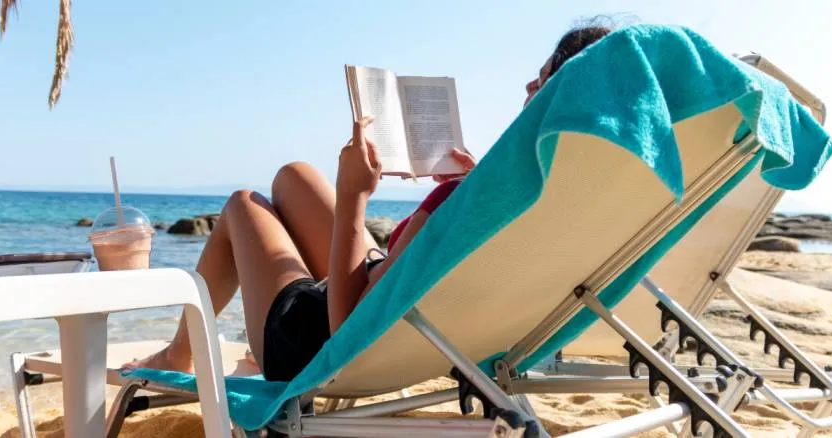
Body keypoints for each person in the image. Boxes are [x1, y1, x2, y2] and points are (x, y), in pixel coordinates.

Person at [125, 23, 613, 382]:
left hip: (312, 342)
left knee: (241, 204)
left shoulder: (470, 199)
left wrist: (353, 196)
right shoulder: (558, 203)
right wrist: (473, 185)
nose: (528, 86)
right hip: (400, 317)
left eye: (542, 79)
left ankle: (178, 355)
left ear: (561, 97)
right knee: (294, 176)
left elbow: (346, 333)